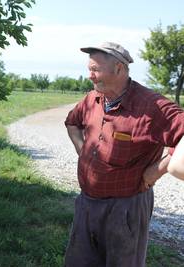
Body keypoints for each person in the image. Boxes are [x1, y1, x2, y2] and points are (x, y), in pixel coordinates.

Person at [64, 42, 184, 266]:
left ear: (119, 68)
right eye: (89, 69)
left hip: (125, 208)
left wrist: (156, 171)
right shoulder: (93, 98)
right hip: (87, 203)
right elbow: (72, 122)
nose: (90, 76)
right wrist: (83, 151)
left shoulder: (152, 106)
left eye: (95, 70)